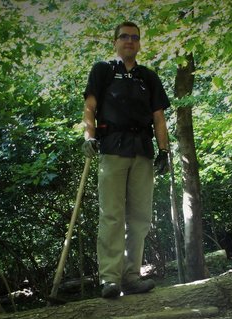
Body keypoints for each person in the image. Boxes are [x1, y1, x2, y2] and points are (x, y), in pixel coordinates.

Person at [82, 21, 171, 299]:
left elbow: (158, 117)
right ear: (115, 42)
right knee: (111, 215)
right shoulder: (103, 70)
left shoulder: (148, 77)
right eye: (124, 37)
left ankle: (132, 276)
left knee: (140, 218)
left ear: (140, 43)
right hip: (112, 148)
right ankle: (110, 279)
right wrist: (89, 135)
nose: (129, 41)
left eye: (134, 37)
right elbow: (90, 106)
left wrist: (164, 150)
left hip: (142, 150)